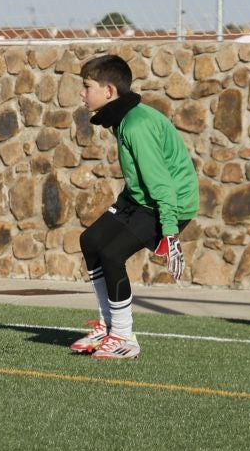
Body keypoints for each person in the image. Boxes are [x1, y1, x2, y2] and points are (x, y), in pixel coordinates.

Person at [68, 53, 199, 360]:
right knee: (91, 241)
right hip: (140, 199)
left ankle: (124, 339)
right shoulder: (124, 119)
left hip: (169, 205)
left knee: (113, 254)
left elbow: (163, 185)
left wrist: (171, 234)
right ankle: (108, 325)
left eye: (87, 86)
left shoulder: (136, 126)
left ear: (109, 92)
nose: (82, 93)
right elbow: (142, 178)